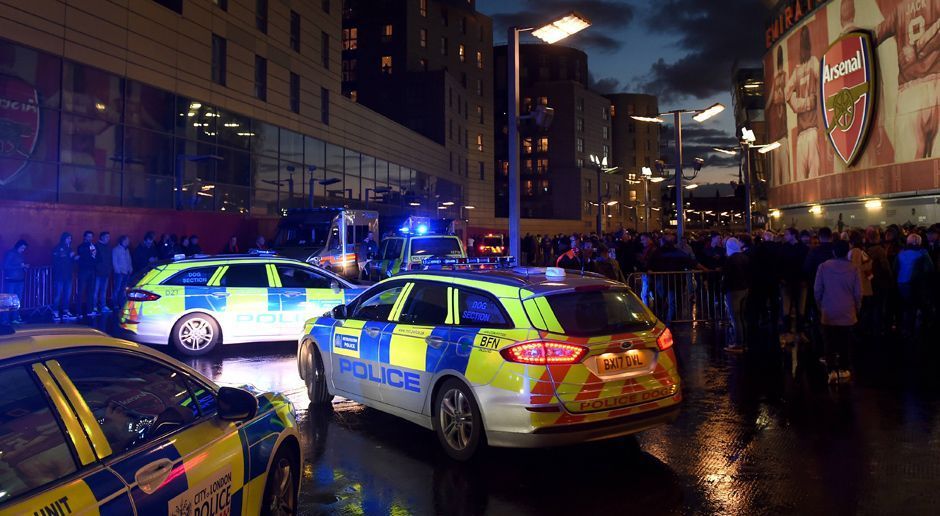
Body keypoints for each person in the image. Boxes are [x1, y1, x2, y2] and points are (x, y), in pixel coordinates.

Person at [814, 240, 861, 383]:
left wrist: (820, 305)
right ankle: (844, 369)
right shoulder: (853, 269)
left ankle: (831, 370)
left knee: (829, 341)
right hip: (847, 310)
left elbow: (817, 290)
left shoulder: (823, 267)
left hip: (829, 309)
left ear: (833, 252)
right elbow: (858, 293)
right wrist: (857, 307)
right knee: (845, 342)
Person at [895, 233, 934, 333]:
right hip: (916, 283)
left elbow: (895, 268)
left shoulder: (901, 253)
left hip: (901, 283)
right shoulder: (923, 253)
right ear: (919, 242)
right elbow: (929, 269)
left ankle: (905, 329)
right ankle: (917, 330)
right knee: (918, 305)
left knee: (906, 306)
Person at [723, 237, 751, 353]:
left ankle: (738, 344)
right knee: (742, 317)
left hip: (734, 290)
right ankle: (744, 342)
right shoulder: (745, 257)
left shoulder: (731, 260)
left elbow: (727, 277)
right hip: (744, 289)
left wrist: (723, 288)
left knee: (735, 318)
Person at [779, 227, 808, 333]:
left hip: (794, 281)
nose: (785, 236)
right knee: (793, 308)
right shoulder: (803, 248)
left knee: (797, 308)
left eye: (787, 234)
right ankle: (795, 332)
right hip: (794, 281)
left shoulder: (785, 248)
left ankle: (793, 332)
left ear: (793, 235)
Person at [51, 232, 76, 321]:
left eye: (70, 238)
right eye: (68, 238)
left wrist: (74, 258)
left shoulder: (70, 248)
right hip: (60, 275)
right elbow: (56, 261)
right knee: (58, 294)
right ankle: (55, 311)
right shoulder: (58, 248)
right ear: (64, 238)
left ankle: (66, 310)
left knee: (68, 294)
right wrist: (69, 257)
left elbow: (70, 261)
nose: (70, 240)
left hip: (68, 275)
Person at [2, 240, 28, 324]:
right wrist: (19, 266)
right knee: (8, 300)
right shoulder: (11, 253)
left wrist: (24, 268)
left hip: (19, 280)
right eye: (22, 248)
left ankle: (15, 318)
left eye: (24, 248)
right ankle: (5, 320)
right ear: (18, 246)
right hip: (11, 280)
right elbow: (5, 266)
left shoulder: (21, 254)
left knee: (17, 301)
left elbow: (19, 265)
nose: (23, 250)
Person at [77, 230, 98, 317]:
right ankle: (79, 311)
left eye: (91, 236)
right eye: (88, 236)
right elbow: (82, 255)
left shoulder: (93, 246)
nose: (90, 238)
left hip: (92, 271)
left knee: (91, 291)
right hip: (83, 271)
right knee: (81, 291)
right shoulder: (81, 246)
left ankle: (89, 310)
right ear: (84, 237)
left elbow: (96, 257)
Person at [93, 232, 113, 313]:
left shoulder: (108, 247)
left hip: (106, 272)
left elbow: (109, 260)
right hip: (98, 273)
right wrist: (97, 269)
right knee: (96, 290)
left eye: (109, 237)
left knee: (103, 290)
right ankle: (94, 306)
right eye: (106, 237)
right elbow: (94, 260)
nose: (108, 238)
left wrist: (110, 269)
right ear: (101, 237)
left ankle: (103, 306)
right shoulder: (96, 246)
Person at [112, 235, 132, 312]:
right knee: (117, 289)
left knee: (123, 289)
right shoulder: (116, 249)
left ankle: (121, 303)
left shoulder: (127, 250)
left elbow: (129, 260)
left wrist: (130, 267)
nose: (128, 242)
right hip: (119, 273)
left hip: (126, 272)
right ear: (122, 241)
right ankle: (115, 304)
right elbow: (114, 261)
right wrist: (117, 270)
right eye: (126, 241)